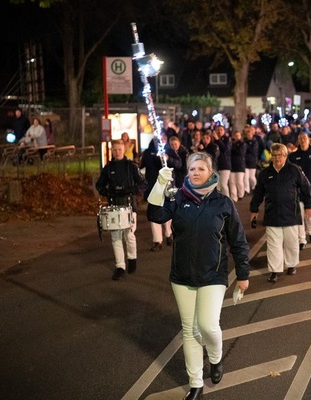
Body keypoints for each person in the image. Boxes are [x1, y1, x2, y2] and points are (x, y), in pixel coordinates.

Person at [147, 152, 250, 400]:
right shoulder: (179, 197)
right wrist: (160, 184)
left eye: (200, 169)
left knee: (206, 325)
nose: (195, 173)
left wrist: (244, 274)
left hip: (213, 275)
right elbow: (155, 215)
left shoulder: (223, 203)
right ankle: (195, 384)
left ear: (211, 172)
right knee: (189, 330)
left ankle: (215, 358)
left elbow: (238, 241)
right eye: (192, 169)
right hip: (181, 277)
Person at [249, 143, 311, 283]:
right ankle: (274, 270)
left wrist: (309, 206)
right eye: (274, 155)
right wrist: (254, 209)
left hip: (291, 213)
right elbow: (258, 192)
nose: (277, 158)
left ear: (285, 156)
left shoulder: (294, 170)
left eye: (280, 155)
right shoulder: (265, 173)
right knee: (273, 245)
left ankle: (291, 265)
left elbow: (306, 188)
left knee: (291, 242)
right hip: (272, 213)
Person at [95, 140, 146, 280]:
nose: (117, 152)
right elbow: (99, 185)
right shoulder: (108, 167)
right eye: (114, 150)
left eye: (119, 149)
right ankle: (120, 266)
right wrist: (109, 192)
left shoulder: (131, 166)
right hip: (114, 206)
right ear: (111, 151)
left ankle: (132, 259)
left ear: (124, 150)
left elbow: (143, 184)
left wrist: (130, 190)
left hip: (129, 206)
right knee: (115, 237)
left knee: (129, 235)